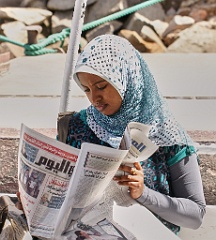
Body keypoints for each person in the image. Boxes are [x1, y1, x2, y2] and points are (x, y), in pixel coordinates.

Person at [63, 34, 206, 235]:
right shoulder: (78, 126)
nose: (94, 98)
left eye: (101, 86)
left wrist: (143, 193)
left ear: (126, 77)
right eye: (86, 89)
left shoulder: (167, 135)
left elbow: (195, 216)